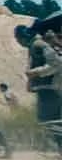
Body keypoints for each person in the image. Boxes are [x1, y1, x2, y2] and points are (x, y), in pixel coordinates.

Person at [19, 23, 62, 153]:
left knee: (49, 120)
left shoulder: (39, 45)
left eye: (18, 38)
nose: (18, 42)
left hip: (49, 88)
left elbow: (57, 64)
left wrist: (36, 72)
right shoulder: (34, 46)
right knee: (50, 120)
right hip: (45, 87)